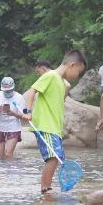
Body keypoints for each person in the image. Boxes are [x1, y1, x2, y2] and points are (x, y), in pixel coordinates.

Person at [23, 49, 88, 196]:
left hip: (54, 127)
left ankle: (48, 188)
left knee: (57, 157)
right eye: (79, 72)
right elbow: (31, 92)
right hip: (46, 126)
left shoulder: (61, 81)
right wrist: (27, 112)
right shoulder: (50, 76)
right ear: (72, 65)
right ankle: (45, 189)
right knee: (53, 157)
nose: (77, 76)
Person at [0, 76, 28, 159]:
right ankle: (1, 172)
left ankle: (11, 171)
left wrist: (13, 113)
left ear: (13, 87)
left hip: (13, 128)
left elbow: (24, 116)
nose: (8, 92)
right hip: (0, 128)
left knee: (8, 155)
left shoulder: (19, 97)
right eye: (6, 91)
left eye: (9, 90)